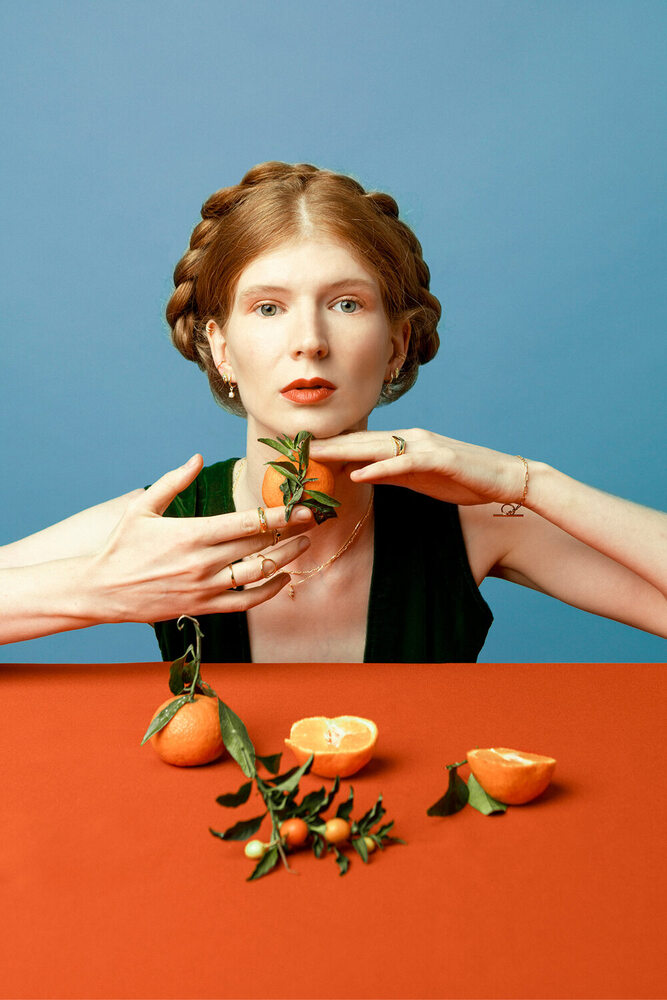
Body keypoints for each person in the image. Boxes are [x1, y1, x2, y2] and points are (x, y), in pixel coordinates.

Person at [1, 161, 665, 662]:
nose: (309, 341)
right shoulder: (158, 526)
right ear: (220, 346)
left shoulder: (475, 521)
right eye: (268, 307)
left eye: (346, 303)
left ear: (397, 344)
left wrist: (529, 483)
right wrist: (98, 589)